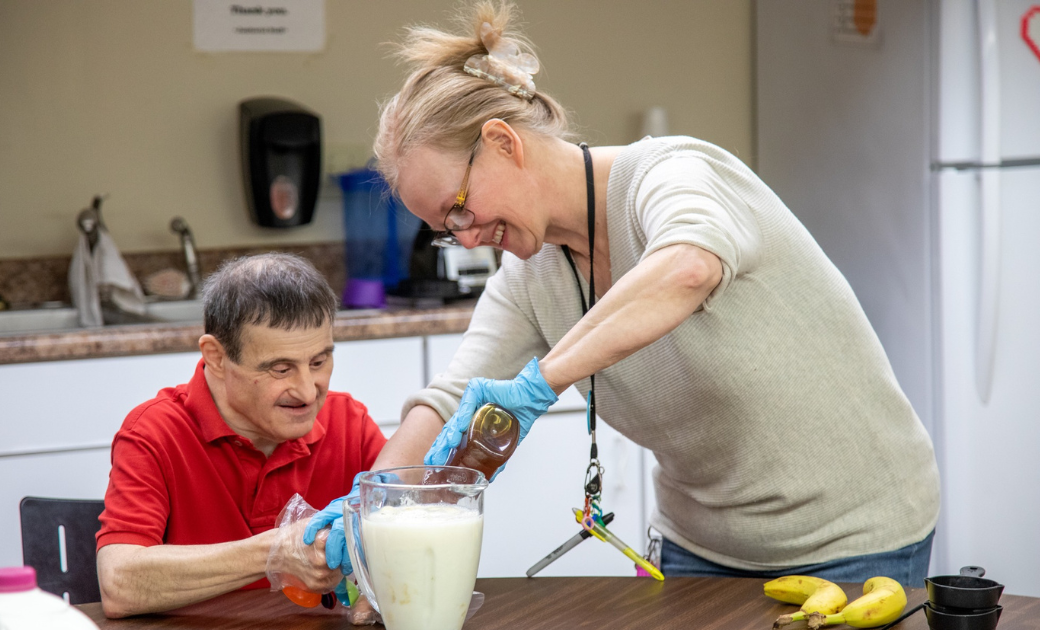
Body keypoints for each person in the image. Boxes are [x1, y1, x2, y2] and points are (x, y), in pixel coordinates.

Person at [308, 1, 940, 586]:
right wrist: (374, 504)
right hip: (700, 547)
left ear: (503, 142)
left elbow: (688, 266)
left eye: (461, 209)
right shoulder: (528, 278)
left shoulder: (671, 174)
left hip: (853, 536)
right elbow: (449, 400)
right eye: (448, 231)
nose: (467, 238)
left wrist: (542, 382)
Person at [95, 253, 387, 618]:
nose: (308, 392)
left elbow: (414, 522)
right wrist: (277, 551)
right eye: (280, 369)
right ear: (216, 357)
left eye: (318, 362)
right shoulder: (154, 433)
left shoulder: (349, 422)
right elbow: (119, 584)